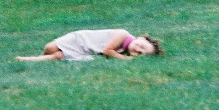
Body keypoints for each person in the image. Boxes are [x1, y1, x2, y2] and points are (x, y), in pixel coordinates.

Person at [15, 29, 164, 62]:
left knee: (58, 56)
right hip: (81, 40)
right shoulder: (123, 35)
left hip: (87, 51)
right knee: (50, 48)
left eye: (139, 54)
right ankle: (37, 60)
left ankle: (28, 60)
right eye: (141, 46)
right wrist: (126, 59)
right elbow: (107, 51)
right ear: (141, 38)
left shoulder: (125, 49)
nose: (137, 50)